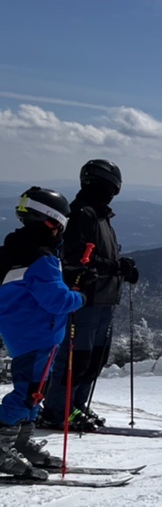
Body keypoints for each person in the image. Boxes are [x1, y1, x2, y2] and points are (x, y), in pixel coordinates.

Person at [39, 159, 139, 432]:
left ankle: (75, 407)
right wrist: (116, 268)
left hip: (103, 298)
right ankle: (58, 411)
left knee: (94, 360)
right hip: (84, 298)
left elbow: (101, 255)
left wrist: (122, 269)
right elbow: (75, 258)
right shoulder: (82, 214)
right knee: (76, 359)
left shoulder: (99, 215)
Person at [0, 188, 85, 479]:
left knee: (36, 391)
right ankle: (2, 443)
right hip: (39, 335)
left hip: (22, 332)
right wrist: (78, 296)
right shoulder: (42, 258)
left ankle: (19, 441)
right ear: (53, 222)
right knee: (29, 392)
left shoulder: (15, 250)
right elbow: (56, 301)